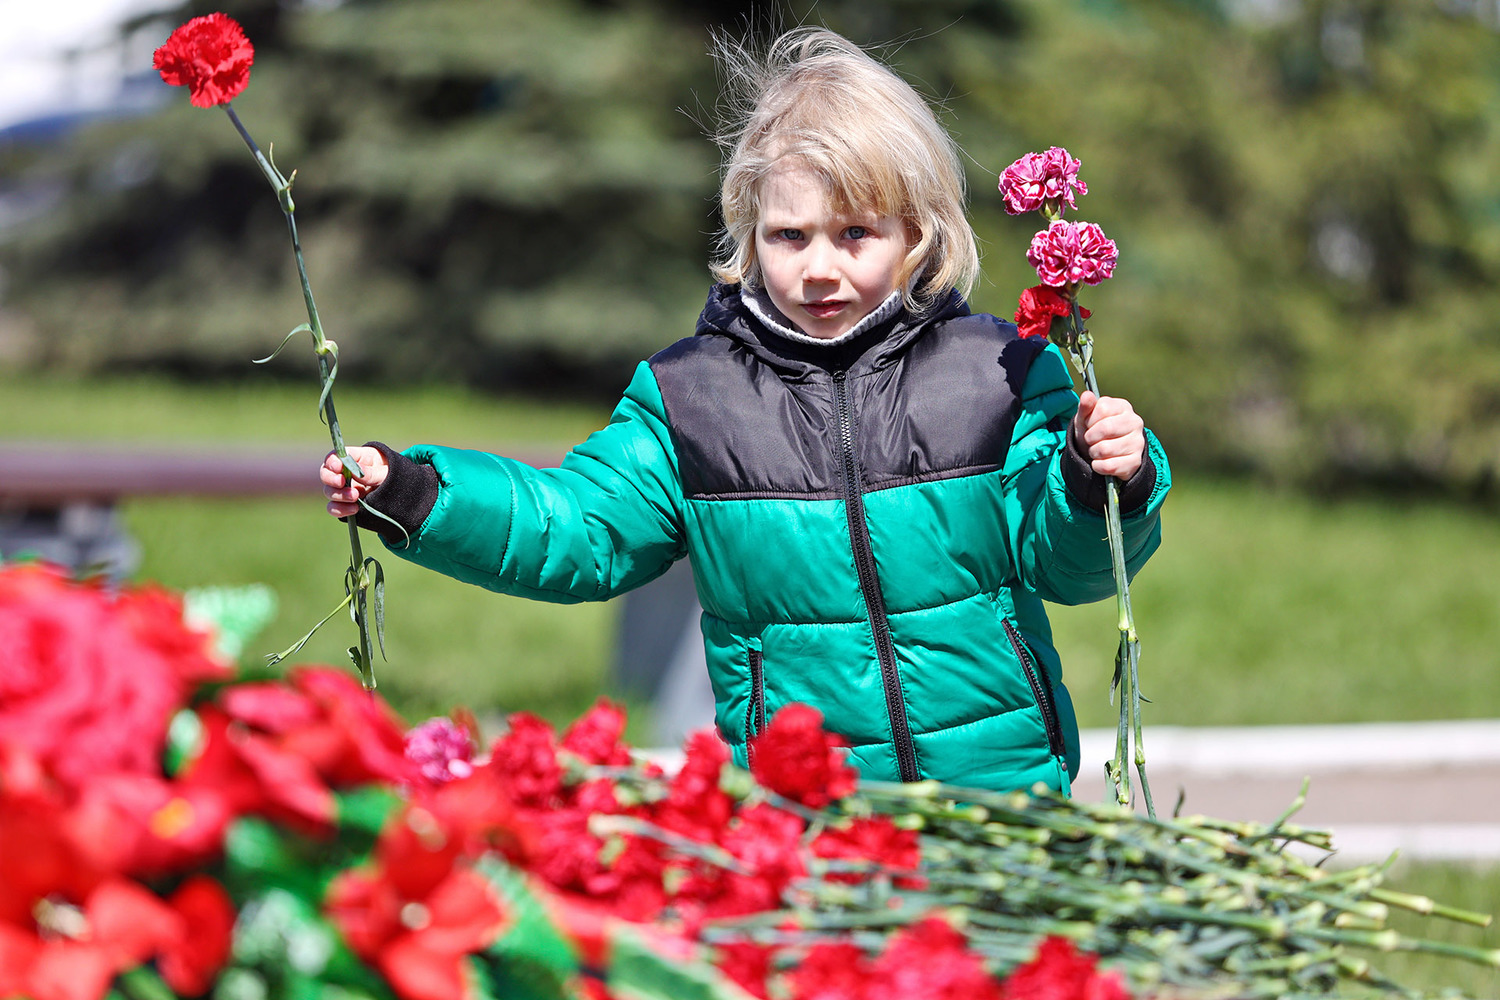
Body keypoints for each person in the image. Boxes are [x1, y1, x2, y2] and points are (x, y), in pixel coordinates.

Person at [320, 28, 1169, 795]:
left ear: (918, 232)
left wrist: (1106, 478)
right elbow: (578, 528)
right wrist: (417, 492)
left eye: (855, 235)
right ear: (747, 231)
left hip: (999, 803)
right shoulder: (694, 398)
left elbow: (1074, 568)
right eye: (789, 237)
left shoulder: (1001, 372)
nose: (820, 269)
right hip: (808, 816)